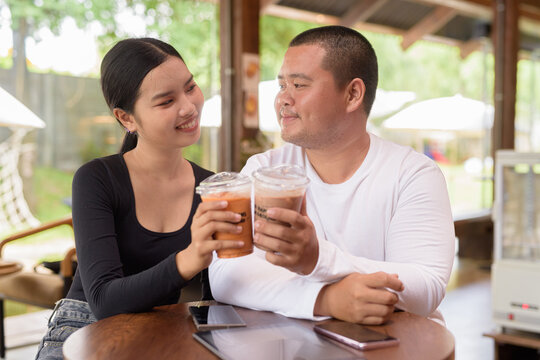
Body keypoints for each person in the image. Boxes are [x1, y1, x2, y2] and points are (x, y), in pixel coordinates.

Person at [209, 25, 455, 325]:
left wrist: (317, 260)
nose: (283, 100)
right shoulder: (264, 171)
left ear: (352, 94)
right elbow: (226, 274)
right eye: (281, 86)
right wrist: (327, 300)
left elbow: (425, 287)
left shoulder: (412, 174)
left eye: (299, 85)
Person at [35, 38, 245, 360]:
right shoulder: (97, 179)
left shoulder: (211, 186)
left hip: (167, 332)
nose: (188, 107)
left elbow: (220, 295)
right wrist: (190, 259)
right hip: (83, 331)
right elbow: (104, 301)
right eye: (166, 101)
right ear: (126, 118)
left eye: (190, 88)